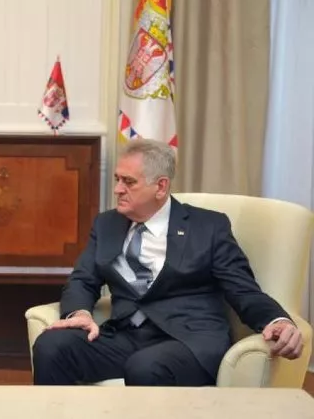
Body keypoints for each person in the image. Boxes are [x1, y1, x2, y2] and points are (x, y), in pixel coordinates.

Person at [32, 139, 303, 386]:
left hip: (188, 340)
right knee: (51, 346)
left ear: (160, 186)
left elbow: (242, 289)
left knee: (146, 367)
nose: (117, 190)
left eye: (128, 182)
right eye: (117, 179)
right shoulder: (107, 224)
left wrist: (277, 320)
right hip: (125, 337)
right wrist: (79, 314)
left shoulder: (208, 227)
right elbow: (83, 279)